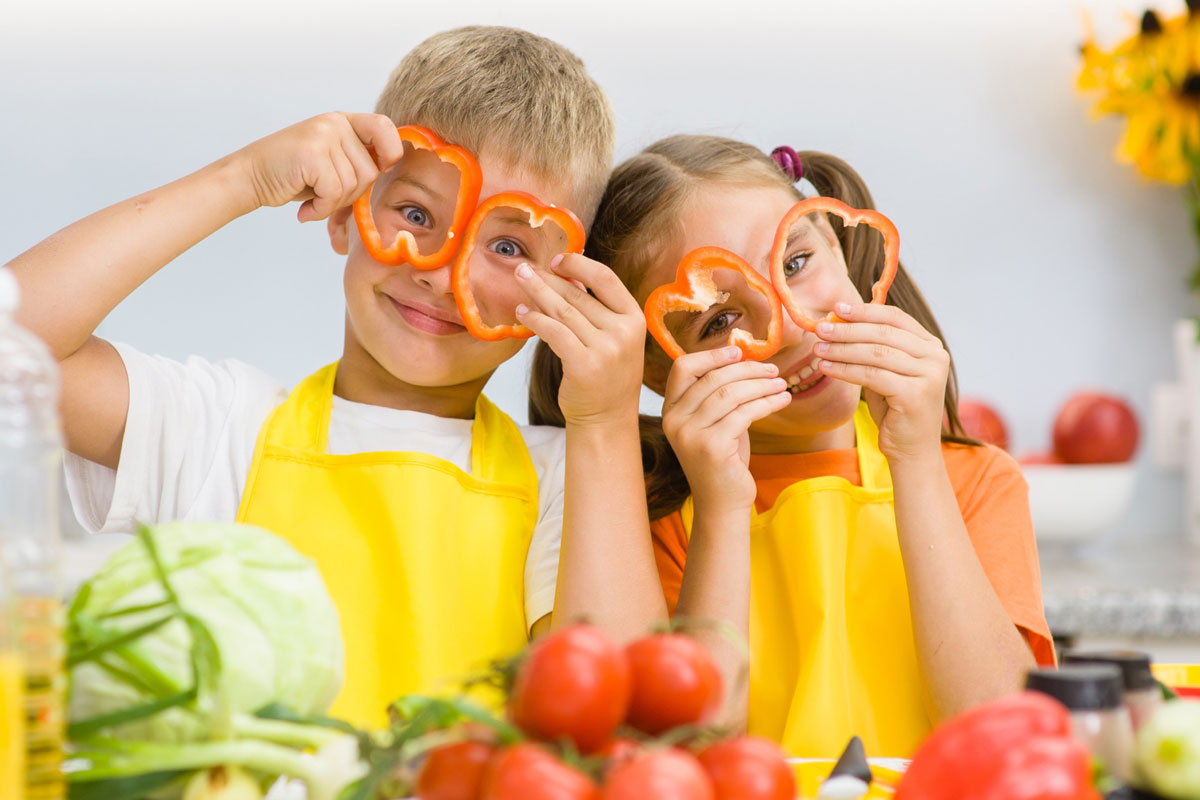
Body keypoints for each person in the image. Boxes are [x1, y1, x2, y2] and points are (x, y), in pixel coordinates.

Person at [6, 26, 665, 727]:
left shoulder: (571, 477)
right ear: (347, 214)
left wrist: (603, 421)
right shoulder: (218, 428)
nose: (442, 276)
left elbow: (628, 720)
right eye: (416, 213)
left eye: (506, 246)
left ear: (564, 285)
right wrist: (243, 178)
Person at [535, 134, 1054, 758]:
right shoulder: (657, 517)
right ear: (652, 370)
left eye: (795, 263)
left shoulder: (977, 480)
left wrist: (914, 460)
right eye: (719, 320)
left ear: (837, 241)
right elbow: (689, 749)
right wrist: (722, 505)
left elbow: (1002, 734)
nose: (785, 328)